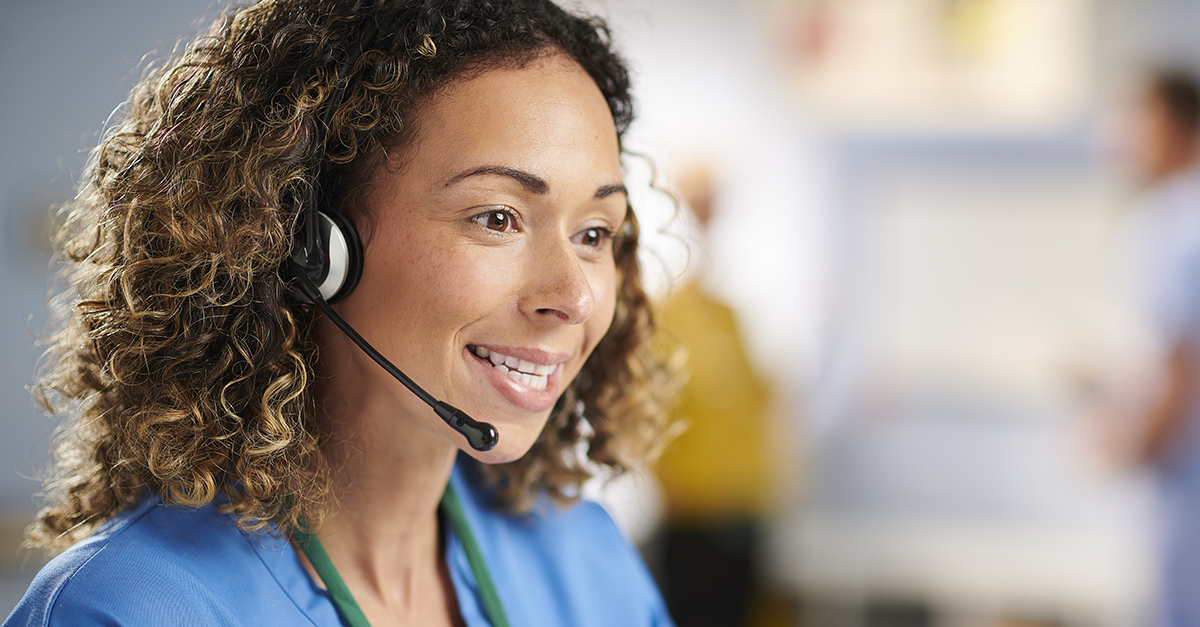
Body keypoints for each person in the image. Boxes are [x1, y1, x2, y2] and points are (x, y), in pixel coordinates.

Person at [4, 1, 675, 625]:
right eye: (497, 217)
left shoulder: (589, 567)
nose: (576, 295)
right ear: (307, 244)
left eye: (594, 233)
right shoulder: (132, 608)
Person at [1094, 69, 1200, 627]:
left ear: (1173, 125)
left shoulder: (1172, 222)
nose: (1120, 138)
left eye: (1135, 121)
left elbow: (1183, 363)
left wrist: (1133, 443)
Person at [653, 166, 775, 627]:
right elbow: (653, 411)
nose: (709, 209)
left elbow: (757, 403)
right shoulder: (668, 316)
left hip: (744, 511)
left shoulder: (730, 317)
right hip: (692, 520)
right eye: (701, 197)